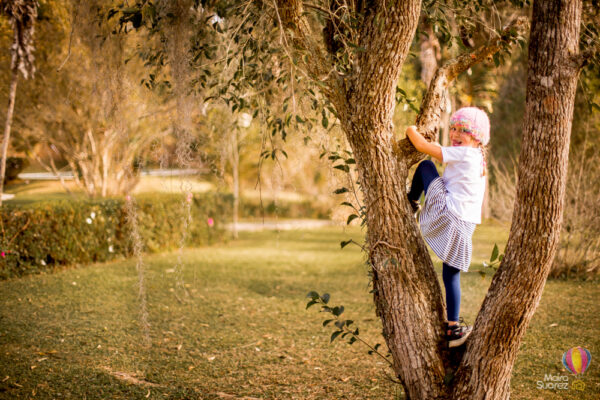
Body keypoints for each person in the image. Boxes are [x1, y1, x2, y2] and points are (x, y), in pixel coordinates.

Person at [405, 107, 489, 348]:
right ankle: (453, 327)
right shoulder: (479, 159)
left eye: (462, 130)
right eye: (452, 128)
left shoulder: (464, 153)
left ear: (476, 137)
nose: (454, 133)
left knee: (425, 168)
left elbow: (421, 146)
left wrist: (410, 130)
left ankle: (411, 200)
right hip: (465, 225)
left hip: (449, 213)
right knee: (451, 274)